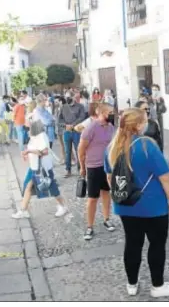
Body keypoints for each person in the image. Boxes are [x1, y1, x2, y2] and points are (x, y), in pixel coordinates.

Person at [104, 108, 169, 298]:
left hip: (126, 205)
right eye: (145, 120)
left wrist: (121, 194)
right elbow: (165, 178)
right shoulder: (147, 145)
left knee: (132, 243)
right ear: (139, 125)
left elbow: (109, 177)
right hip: (153, 205)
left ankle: (132, 284)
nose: (147, 123)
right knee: (156, 245)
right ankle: (157, 286)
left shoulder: (112, 147)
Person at [12, 120, 68, 219]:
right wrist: (27, 153)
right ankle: (23, 210)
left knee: (51, 186)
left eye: (29, 127)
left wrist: (29, 151)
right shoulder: (34, 136)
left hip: (43, 168)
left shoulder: (41, 136)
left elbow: (45, 151)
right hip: (34, 167)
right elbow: (35, 150)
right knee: (28, 186)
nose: (27, 129)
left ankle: (63, 206)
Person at [78, 103, 117, 240]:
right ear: (101, 112)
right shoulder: (91, 128)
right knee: (93, 198)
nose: (112, 114)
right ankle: (89, 226)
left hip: (107, 166)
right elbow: (81, 149)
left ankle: (107, 219)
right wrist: (82, 167)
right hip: (93, 166)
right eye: (110, 112)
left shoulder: (111, 127)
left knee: (107, 193)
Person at [58, 96, 86, 177]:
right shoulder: (63, 107)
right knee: (67, 151)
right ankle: (68, 170)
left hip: (77, 131)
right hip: (67, 131)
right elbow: (60, 119)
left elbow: (82, 117)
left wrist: (72, 125)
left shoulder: (80, 106)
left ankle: (80, 168)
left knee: (78, 150)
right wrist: (65, 125)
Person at [55, 96, 67, 164]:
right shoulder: (56, 109)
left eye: (57, 101)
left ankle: (71, 158)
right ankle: (64, 158)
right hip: (58, 129)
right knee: (62, 145)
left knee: (66, 145)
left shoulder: (65, 108)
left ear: (61, 101)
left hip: (63, 128)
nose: (55, 103)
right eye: (55, 102)